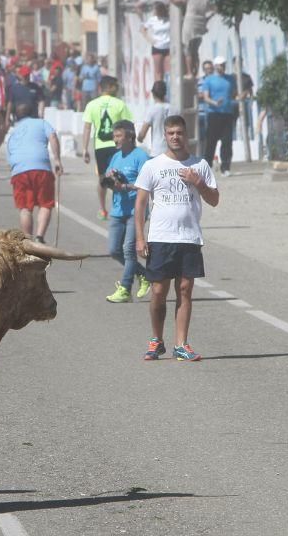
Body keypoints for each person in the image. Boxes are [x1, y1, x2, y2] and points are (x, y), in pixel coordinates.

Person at [134, 115, 219, 361]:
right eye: (170, 133)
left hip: (189, 237)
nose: (175, 137)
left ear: (186, 134)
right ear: (164, 136)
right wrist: (140, 238)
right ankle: (156, 340)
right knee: (159, 291)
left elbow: (214, 200)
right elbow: (140, 205)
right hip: (160, 237)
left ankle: (181, 343)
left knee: (184, 289)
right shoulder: (153, 165)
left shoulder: (199, 165)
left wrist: (199, 183)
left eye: (179, 133)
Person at [103, 120, 150, 303]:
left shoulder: (141, 156)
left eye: (119, 136)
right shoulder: (116, 157)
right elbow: (109, 180)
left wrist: (126, 186)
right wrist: (111, 180)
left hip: (135, 210)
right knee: (114, 250)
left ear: (130, 136)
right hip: (117, 209)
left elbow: (146, 184)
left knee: (129, 249)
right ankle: (143, 274)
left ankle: (125, 288)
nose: (115, 140)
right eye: (114, 136)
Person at [7, 103, 62, 243]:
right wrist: (57, 160)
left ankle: (28, 241)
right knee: (45, 203)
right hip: (41, 166)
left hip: (19, 170)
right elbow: (53, 137)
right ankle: (39, 237)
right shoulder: (42, 122)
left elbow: (10, 154)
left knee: (25, 208)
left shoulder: (14, 131)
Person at [82, 75, 133, 220]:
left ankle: (103, 209)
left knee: (103, 178)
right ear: (110, 87)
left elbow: (87, 128)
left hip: (100, 147)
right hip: (118, 145)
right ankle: (122, 207)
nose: (117, 89)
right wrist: (132, 144)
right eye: (116, 86)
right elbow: (128, 126)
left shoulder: (92, 104)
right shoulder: (119, 104)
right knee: (121, 176)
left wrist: (85, 149)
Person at [199, 56, 237, 177]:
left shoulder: (230, 79)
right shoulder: (209, 80)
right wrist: (215, 103)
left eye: (223, 65)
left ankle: (225, 167)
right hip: (213, 113)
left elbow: (233, 94)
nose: (222, 67)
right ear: (215, 66)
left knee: (227, 141)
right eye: (220, 65)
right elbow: (205, 97)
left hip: (227, 113)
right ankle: (208, 166)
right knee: (211, 141)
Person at [169, 0, 212, 79]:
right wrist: (207, 18)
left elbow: (177, 1)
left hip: (190, 23)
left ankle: (189, 72)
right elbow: (213, 9)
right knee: (195, 50)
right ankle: (196, 72)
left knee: (187, 49)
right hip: (201, 24)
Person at [140, 2, 171, 83]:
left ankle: (168, 89)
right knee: (158, 71)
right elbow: (143, 29)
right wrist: (149, 39)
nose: (158, 12)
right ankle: (159, 90)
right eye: (157, 10)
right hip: (157, 46)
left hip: (168, 46)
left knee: (169, 71)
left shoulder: (170, 18)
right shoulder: (153, 19)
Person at [139, 80, 171, 156]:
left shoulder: (152, 110)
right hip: (172, 152)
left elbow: (142, 133)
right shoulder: (175, 109)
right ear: (165, 93)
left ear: (153, 94)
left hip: (157, 151)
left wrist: (139, 138)